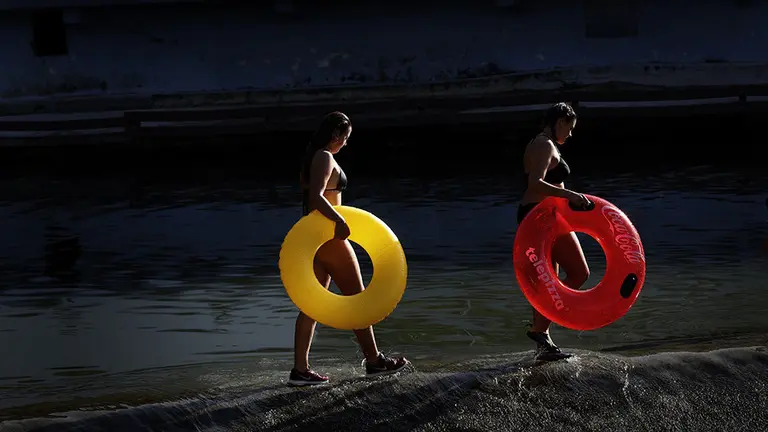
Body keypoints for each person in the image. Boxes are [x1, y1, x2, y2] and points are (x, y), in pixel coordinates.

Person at [289, 111, 409, 386]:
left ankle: (300, 370)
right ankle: (375, 361)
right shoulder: (324, 157)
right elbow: (316, 197)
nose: (346, 143)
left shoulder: (312, 157)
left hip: (317, 238)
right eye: (346, 137)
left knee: (312, 305)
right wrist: (340, 220)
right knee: (359, 299)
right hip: (330, 237)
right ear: (336, 135)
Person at [517, 102, 592, 362]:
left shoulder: (546, 145)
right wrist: (570, 194)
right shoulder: (543, 145)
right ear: (559, 121)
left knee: (551, 280)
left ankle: (543, 340)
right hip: (538, 216)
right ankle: (540, 330)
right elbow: (535, 183)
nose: (570, 135)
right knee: (579, 272)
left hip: (546, 215)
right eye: (569, 128)